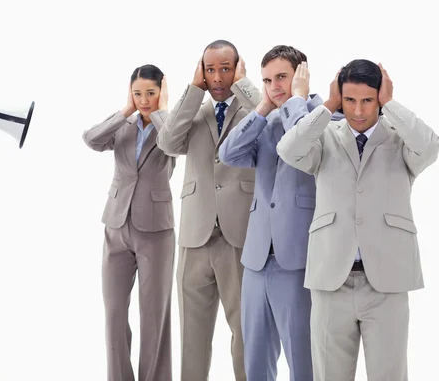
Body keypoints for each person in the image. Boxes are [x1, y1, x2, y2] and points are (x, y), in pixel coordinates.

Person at [276, 59, 439, 380]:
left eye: (368, 100)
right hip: (330, 281)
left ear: (379, 97)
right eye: (350, 100)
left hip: (387, 284)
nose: (359, 110)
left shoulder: (400, 140)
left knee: (389, 375)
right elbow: (288, 149)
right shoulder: (324, 138)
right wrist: (328, 106)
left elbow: (431, 146)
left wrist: (391, 103)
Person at [219, 45, 342, 380]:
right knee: (255, 360)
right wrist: (260, 109)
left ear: (301, 74)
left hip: (298, 256)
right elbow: (228, 154)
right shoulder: (265, 121)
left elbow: (307, 142)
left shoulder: (327, 116)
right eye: (267, 80)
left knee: (302, 359)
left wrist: (296, 101)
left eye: (282, 77)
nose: (274, 86)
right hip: (257, 257)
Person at [156, 40, 261, 381]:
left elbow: (275, 122)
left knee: (246, 335)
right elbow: (168, 143)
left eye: (225, 69)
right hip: (194, 236)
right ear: (202, 71)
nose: (218, 78)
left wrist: (244, 85)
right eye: (210, 70)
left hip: (239, 235)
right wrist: (193, 89)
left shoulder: (252, 111)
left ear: (238, 68)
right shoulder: (194, 112)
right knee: (192, 339)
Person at [82, 64, 176, 381]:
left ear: (162, 91)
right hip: (116, 226)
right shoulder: (124, 125)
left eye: (150, 93)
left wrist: (161, 110)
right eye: (138, 93)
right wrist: (125, 110)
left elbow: (177, 142)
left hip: (155, 231)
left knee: (153, 317)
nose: (144, 100)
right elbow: (91, 139)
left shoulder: (172, 125)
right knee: (113, 314)